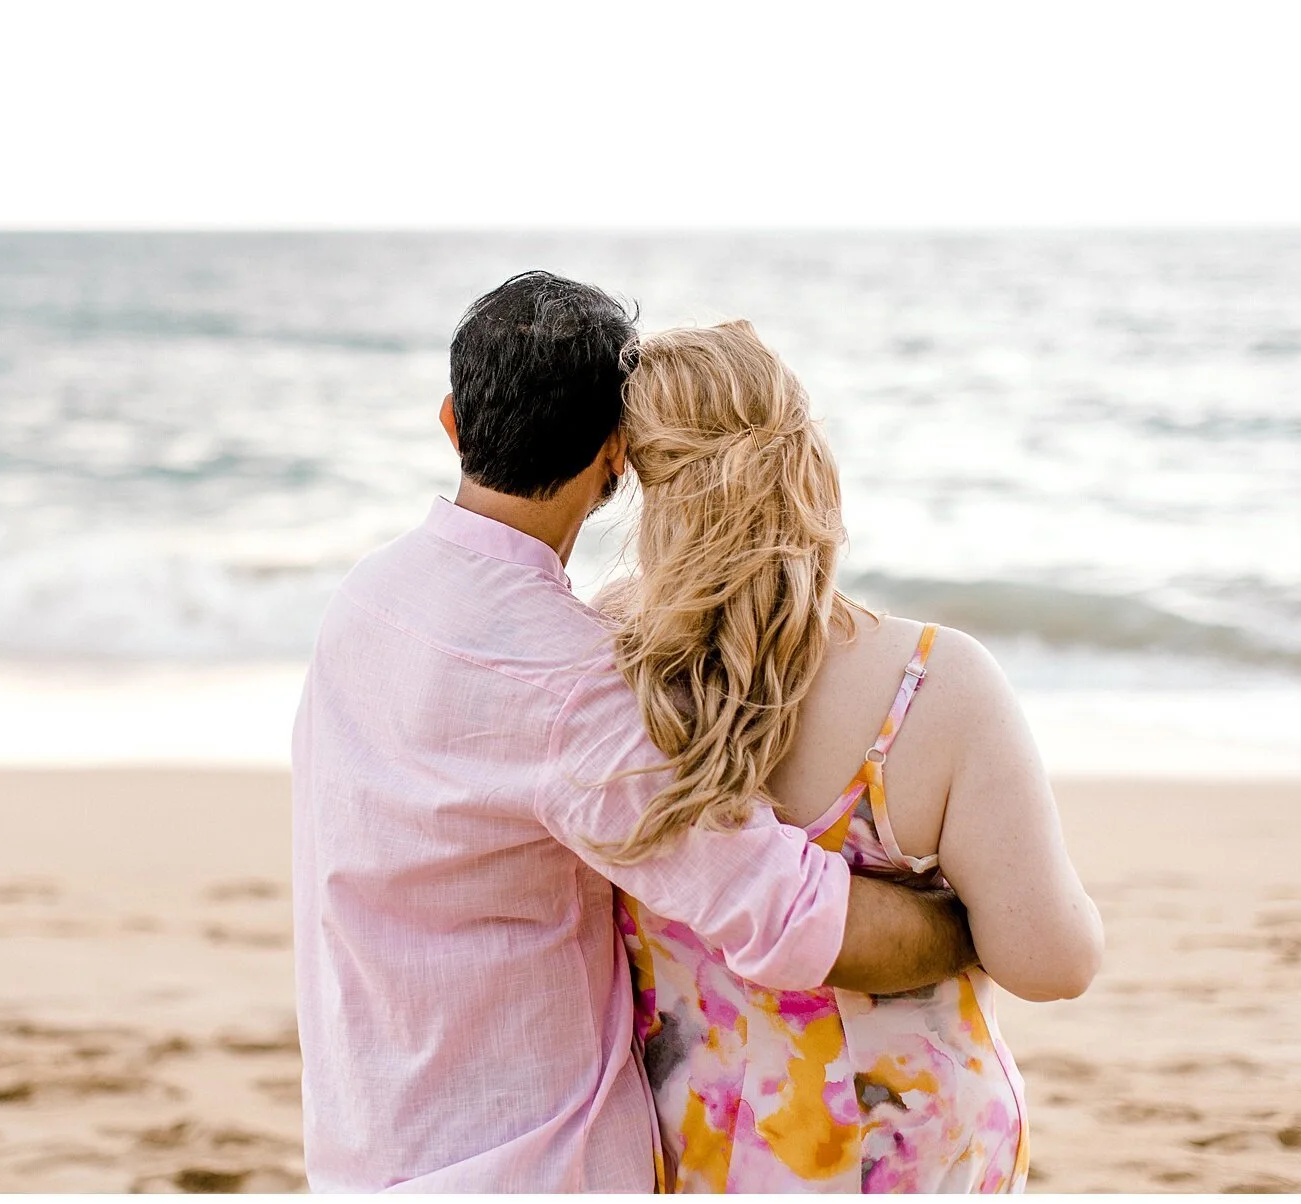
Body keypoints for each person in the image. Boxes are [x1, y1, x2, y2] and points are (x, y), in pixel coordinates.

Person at [290, 272, 979, 1192]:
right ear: (617, 459)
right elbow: (793, 918)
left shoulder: (365, 602)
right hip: (530, 1171)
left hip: (362, 1154)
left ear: (452, 421)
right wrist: (978, 922)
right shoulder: (573, 690)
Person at [601, 320, 1104, 1192]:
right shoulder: (935, 684)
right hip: (905, 1154)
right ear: (811, 470)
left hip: (698, 1148)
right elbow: (1052, 962)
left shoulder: (602, 658)